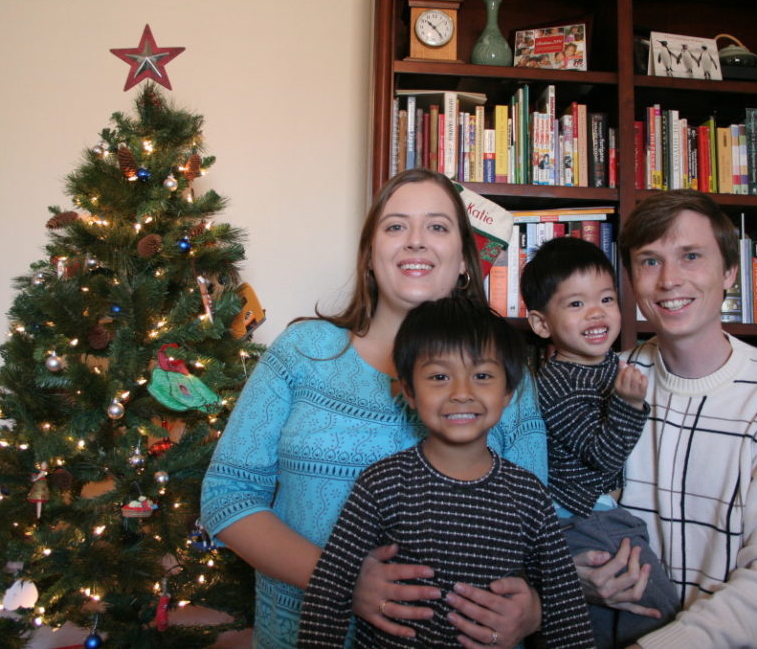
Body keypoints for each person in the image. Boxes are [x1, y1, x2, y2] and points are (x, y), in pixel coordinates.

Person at [200, 168, 548, 648]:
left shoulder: (507, 376)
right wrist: (336, 577)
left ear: (466, 261)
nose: (416, 242)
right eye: (396, 226)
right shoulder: (303, 352)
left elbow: (537, 531)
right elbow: (227, 495)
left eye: (438, 226)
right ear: (369, 256)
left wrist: (531, 610)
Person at [575, 189, 757, 648]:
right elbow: (549, 512)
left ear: (730, 272)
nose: (669, 280)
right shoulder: (600, 381)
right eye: (650, 261)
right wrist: (570, 571)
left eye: (691, 256)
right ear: (632, 280)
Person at [297, 296, 595, 648]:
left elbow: (565, 606)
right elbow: (330, 588)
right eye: (439, 376)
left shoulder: (527, 494)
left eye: (482, 375)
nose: (461, 393)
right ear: (407, 389)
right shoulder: (382, 483)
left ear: (509, 393)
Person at [520, 236, 679, 648]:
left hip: (600, 508)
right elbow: (603, 457)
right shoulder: (557, 383)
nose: (596, 313)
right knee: (655, 603)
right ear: (541, 324)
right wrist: (628, 404)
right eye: (575, 304)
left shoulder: (608, 362)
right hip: (576, 513)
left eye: (606, 299)